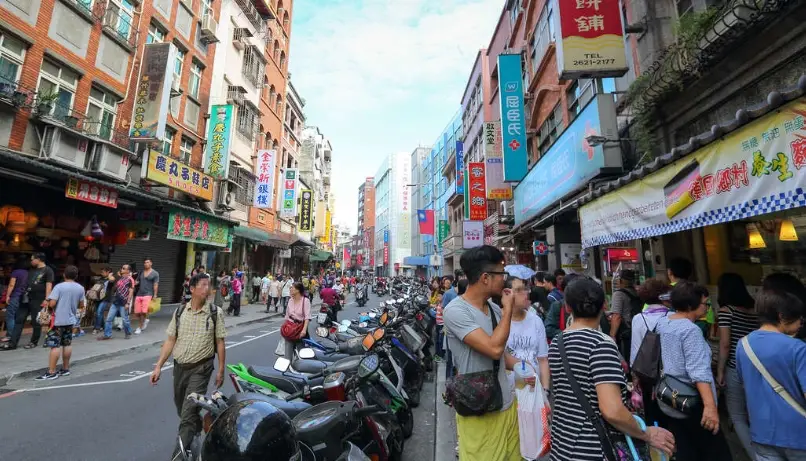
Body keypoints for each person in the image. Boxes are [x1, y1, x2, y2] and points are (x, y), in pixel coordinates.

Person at [548, 277, 675, 461]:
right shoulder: (600, 345)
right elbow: (612, 410)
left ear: (567, 307)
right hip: (594, 449)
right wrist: (647, 434)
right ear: (604, 306)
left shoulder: (557, 343)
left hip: (562, 447)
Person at [442, 245, 520, 460]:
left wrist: (526, 367)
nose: (504, 280)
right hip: (479, 409)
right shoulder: (456, 311)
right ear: (486, 277)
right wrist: (508, 310)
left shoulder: (494, 309)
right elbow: (494, 349)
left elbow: (502, 356)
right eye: (501, 274)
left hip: (506, 404)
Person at [151, 273, 226, 457]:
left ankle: (178, 456)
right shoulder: (180, 312)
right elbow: (170, 340)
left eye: (208, 285)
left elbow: (220, 342)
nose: (207, 289)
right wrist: (159, 365)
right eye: (203, 285)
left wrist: (221, 369)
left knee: (187, 416)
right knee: (182, 409)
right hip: (179, 368)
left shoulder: (215, 313)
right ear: (192, 289)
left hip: (201, 369)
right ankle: (198, 424)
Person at [655, 282, 731, 461]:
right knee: (715, 452)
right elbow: (698, 372)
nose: (707, 308)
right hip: (692, 400)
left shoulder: (664, 322)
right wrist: (710, 408)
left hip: (669, 397)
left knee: (685, 448)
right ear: (690, 305)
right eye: (705, 303)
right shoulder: (690, 330)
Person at [736, 289, 806, 460]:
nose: (800, 324)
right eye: (799, 319)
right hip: (798, 435)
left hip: (762, 433)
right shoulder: (797, 348)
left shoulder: (743, 345)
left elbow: (745, 384)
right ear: (782, 317)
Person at [714, 272, 758, 458]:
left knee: (737, 415)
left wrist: (720, 370)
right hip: (756, 366)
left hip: (735, 366)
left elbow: (725, 344)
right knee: (755, 411)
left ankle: (756, 455)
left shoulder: (726, 312)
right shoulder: (755, 310)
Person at [629, 278, 673, 427]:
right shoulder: (671, 317)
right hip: (669, 373)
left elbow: (635, 350)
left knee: (651, 412)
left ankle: (656, 445)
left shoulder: (638, 318)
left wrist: (635, 378)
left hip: (647, 374)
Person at [35, 265, 85, 380]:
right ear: (76, 276)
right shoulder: (80, 288)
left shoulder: (59, 287)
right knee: (67, 344)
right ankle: (65, 369)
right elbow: (81, 305)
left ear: (64, 275)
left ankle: (52, 372)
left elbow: (52, 304)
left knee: (54, 345)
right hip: (70, 320)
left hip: (57, 321)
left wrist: (47, 303)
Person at [505, 275, 550, 392]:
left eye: (525, 289)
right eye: (519, 290)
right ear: (507, 294)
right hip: (509, 393)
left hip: (534, 391)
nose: (526, 293)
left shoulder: (535, 320)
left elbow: (543, 359)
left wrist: (545, 390)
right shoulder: (498, 320)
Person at [2, 252, 54, 350]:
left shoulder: (48, 270)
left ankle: (33, 341)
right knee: (19, 320)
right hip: (26, 298)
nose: (31, 261)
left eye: (32, 259)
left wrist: (47, 299)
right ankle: (13, 343)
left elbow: (48, 286)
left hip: (38, 299)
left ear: (38, 259)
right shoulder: (31, 269)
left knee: (36, 321)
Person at [608, 269, 641, 364]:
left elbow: (617, 316)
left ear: (621, 280)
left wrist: (612, 335)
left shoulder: (618, 294)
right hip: (637, 329)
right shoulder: (637, 293)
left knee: (626, 358)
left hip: (625, 333)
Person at [98, 264, 135, 340]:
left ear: (128, 271)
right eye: (121, 268)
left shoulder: (130, 279)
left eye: (123, 268)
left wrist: (128, 303)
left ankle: (128, 333)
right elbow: (114, 285)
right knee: (109, 319)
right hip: (115, 302)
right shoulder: (120, 278)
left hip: (123, 303)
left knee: (125, 319)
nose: (121, 269)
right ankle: (107, 335)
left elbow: (131, 292)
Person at [1, 257, 28, 343]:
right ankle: (15, 335)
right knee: (18, 317)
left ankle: (10, 335)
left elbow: (11, 285)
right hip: (24, 297)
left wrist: (8, 296)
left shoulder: (16, 272)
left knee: (10, 316)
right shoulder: (28, 272)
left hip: (15, 296)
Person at [283, 282, 311, 359]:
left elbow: (307, 317)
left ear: (298, 290)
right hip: (289, 328)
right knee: (287, 355)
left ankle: (300, 368)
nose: (290, 289)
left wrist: (304, 330)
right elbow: (287, 315)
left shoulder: (305, 301)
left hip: (300, 329)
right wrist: (284, 328)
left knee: (301, 353)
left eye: (292, 288)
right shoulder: (290, 300)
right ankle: (288, 368)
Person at [132, 257, 159, 335]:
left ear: (151, 263)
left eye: (148, 262)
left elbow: (156, 284)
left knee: (142, 312)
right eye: (145, 262)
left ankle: (139, 327)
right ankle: (146, 319)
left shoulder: (155, 273)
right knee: (137, 312)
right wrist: (132, 279)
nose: (146, 264)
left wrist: (155, 295)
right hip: (139, 293)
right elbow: (136, 282)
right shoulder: (141, 272)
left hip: (148, 294)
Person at [92, 266, 115, 335]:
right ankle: (103, 326)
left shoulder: (111, 279)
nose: (101, 273)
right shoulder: (100, 278)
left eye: (103, 272)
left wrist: (110, 275)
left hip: (105, 299)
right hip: (97, 298)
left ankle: (97, 328)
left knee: (99, 312)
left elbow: (112, 280)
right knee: (98, 313)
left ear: (108, 272)